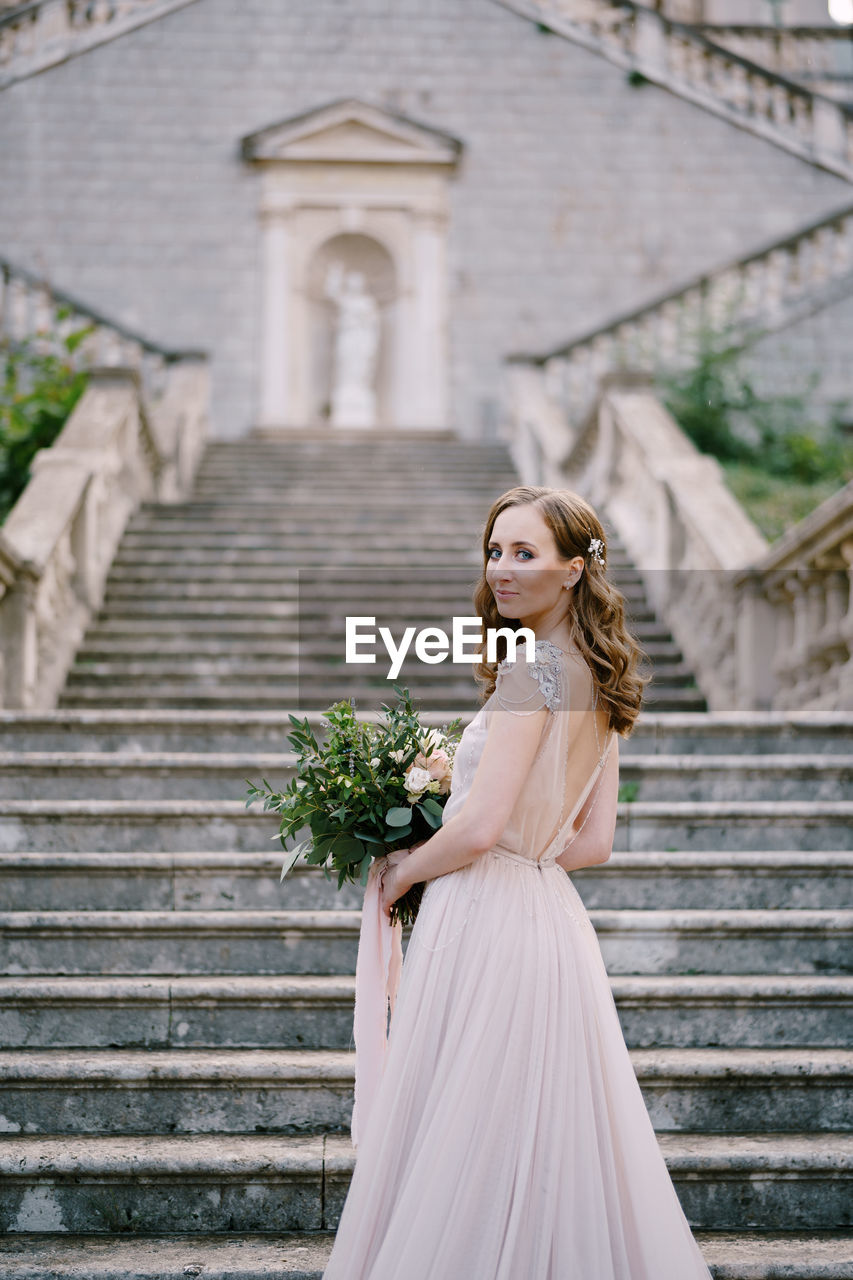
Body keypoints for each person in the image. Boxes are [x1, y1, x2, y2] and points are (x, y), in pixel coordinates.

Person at [321, 485, 714, 1279]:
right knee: (534, 1137)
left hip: (487, 917)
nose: (501, 569)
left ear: (574, 570)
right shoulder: (601, 680)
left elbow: (478, 825)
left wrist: (402, 871)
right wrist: (522, 865)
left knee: (470, 1129)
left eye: (524, 553)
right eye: (494, 551)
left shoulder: (532, 672)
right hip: (548, 919)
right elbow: (593, 842)